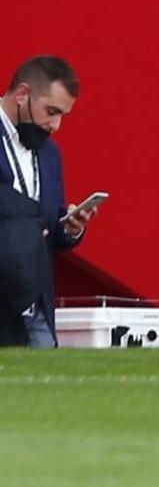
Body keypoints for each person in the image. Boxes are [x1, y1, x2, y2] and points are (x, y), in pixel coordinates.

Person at [0, 57, 98, 348]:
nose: (55, 125)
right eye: (51, 112)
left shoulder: (50, 153)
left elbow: (48, 230)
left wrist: (70, 228)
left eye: (63, 116)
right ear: (22, 95)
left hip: (38, 308)